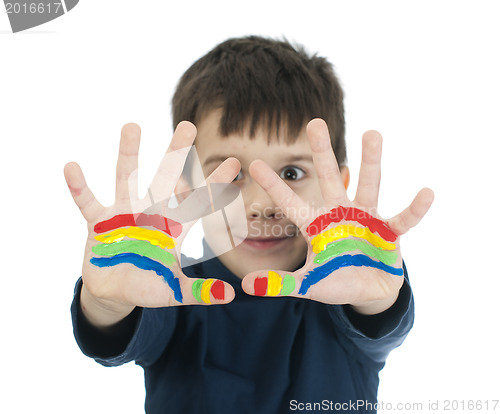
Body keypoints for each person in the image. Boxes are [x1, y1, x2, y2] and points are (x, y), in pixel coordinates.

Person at [65, 36, 434, 413]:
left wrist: (376, 299)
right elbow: (118, 332)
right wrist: (106, 302)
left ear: (336, 188)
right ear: (188, 188)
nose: (261, 205)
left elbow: (377, 319)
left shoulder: (345, 290)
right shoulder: (170, 286)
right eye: (233, 173)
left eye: (291, 172)